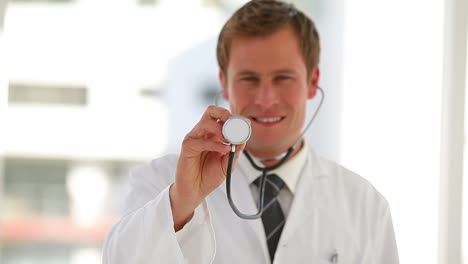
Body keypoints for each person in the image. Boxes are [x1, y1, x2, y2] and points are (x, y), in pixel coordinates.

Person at [102, 1, 399, 263]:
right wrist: (182, 203)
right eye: (248, 78)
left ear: (312, 80)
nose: (266, 99)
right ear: (224, 82)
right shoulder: (161, 183)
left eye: (283, 77)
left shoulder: (364, 206)